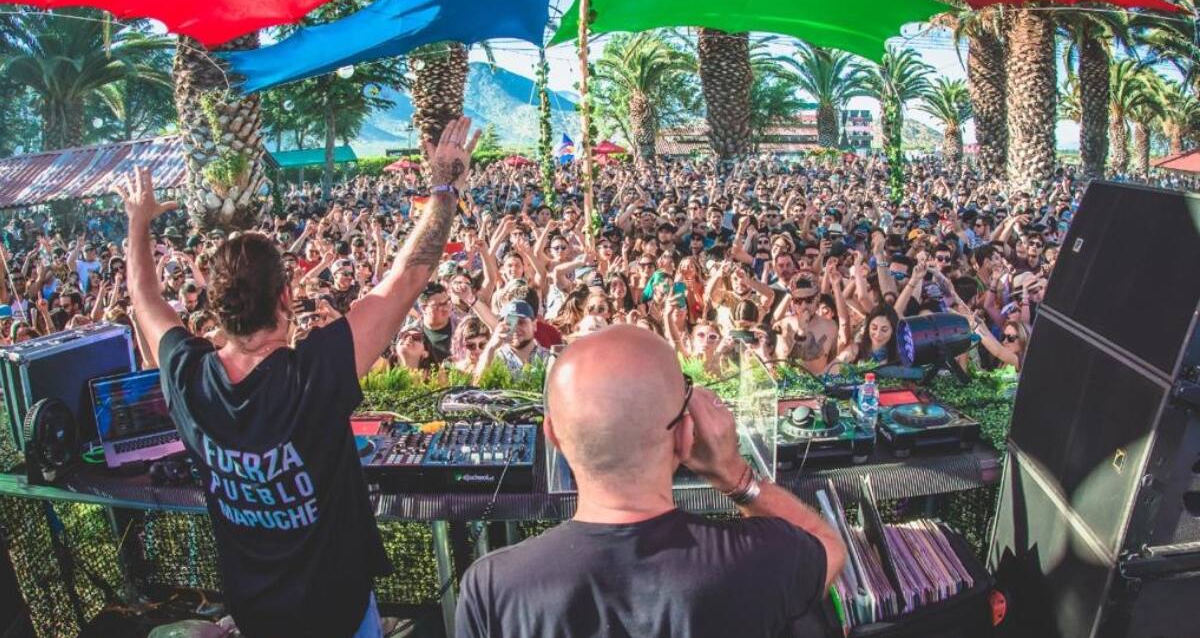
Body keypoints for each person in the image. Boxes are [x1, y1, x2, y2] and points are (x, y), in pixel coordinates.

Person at [123, 117, 481, 638]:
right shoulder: (313, 374)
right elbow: (409, 277)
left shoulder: (186, 374)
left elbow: (144, 298)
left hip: (255, 616)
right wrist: (445, 186)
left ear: (213, 308)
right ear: (286, 297)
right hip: (338, 615)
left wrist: (138, 222)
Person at [455, 325, 846, 637]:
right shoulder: (761, 557)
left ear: (553, 435)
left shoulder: (492, 588)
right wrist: (733, 473)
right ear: (685, 436)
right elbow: (830, 548)